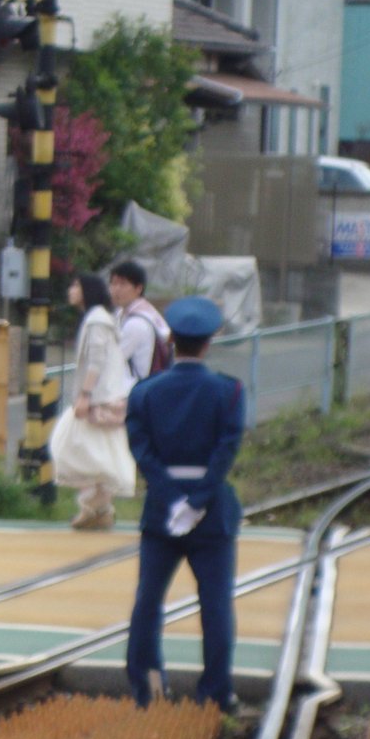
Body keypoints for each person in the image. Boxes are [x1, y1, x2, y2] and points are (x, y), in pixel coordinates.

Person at [124, 295, 245, 709]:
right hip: (212, 515)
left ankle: (148, 688)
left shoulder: (145, 393)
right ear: (209, 342)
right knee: (215, 605)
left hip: (161, 512)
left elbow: (142, 452)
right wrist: (197, 500)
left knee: (148, 603)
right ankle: (215, 693)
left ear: (171, 339)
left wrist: (173, 499)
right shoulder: (229, 391)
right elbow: (225, 452)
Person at [53, 273, 136, 530]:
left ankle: (95, 507)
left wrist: (85, 395)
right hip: (103, 398)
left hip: (99, 399)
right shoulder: (98, 318)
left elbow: (96, 361)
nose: (71, 290)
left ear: (87, 290)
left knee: (78, 449)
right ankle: (97, 508)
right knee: (96, 452)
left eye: (75, 285)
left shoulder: (97, 321)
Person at [109, 260, 169, 382]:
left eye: (123, 284)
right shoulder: (123, 313)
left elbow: (111, 360)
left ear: (138, 288)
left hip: (137, 387)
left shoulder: (137, 322)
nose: (116, 289)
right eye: (113, 283)